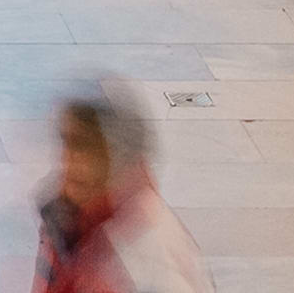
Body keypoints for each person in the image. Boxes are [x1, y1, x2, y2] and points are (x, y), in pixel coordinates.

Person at [30, 88, 216, 293]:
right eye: (70, 144)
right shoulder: (66, 216)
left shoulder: (142, 254)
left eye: (90, 149)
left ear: (119, 164)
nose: (71, 161)